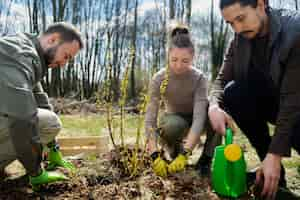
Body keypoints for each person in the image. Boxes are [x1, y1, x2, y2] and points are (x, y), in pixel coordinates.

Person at [208, 0, 300, 199]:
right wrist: (213, 105)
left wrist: (275, 155)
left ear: (260, 4)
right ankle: (274, 174)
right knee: (234, 92)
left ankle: (272, 163)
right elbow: (221, 80)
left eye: (240, 18)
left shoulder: (295, 31)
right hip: (278, 104)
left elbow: (293, 100)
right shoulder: (240, 39)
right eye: (231, 23)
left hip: (297, 108)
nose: (237, 28)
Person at [0, 22, 83, 188]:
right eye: (66, 56)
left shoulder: (29, 53)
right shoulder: (20, 56)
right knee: (49, 122)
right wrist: (36, 171)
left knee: (47, 120)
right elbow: (22, 118)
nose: (64, 64)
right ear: (53, 40)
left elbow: (39, 100)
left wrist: (54, 148)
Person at [145, 23, 222, 178]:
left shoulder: (199, 78)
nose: (179, 65)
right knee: (174, 125)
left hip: (196, 118)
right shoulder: (159, 78)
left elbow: (199, 118)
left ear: (193, 57)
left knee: (216, 117)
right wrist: (154, 155)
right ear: (168, 55)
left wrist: (186, 153)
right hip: (174, 119)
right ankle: (174, 150)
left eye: (185, 61)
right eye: (174, 59)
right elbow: (150, 119)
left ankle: (205, 160)